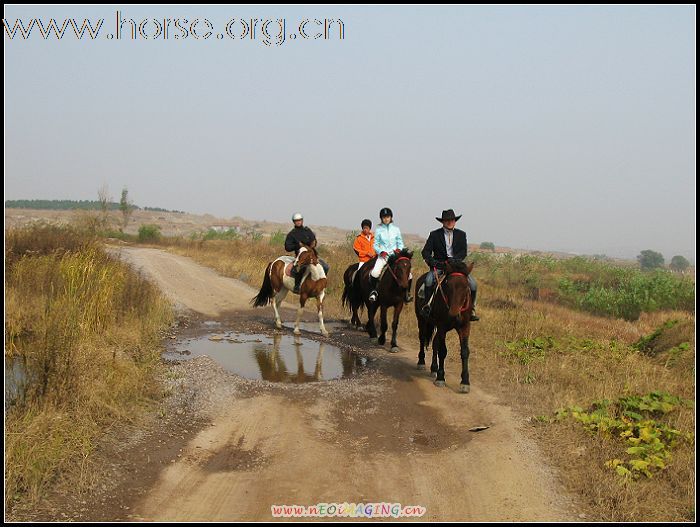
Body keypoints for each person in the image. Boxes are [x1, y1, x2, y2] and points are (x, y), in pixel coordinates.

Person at [418, 209, 478, 321]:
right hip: (440, 266)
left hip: (456, 266)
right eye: (447, 220)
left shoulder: (461, 234)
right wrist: (433, 262)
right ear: (443, 222)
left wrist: (454, 260)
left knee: (473, 284)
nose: (450, 222)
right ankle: (428, 306)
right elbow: (425, 252)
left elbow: (463, 251)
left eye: (452, 220)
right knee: (429, 281)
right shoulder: (434, 235)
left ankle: (472, 309)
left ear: (455, 221)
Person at [369, 207, 412, 303]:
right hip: (383, 256)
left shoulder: (396, 229)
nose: (386, 219)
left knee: (410, 276)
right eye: (384, 217)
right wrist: (381, 251)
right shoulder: (379, 230)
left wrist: (399, 249)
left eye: (387, 217)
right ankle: (374, 292)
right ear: (381, 219)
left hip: (395, 256)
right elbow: (375, 245)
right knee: (375, 272)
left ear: (391, 217)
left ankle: (407, 294)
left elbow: (400, 243)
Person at [284, 212, 329, 293]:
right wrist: (297, 246)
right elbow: (287, 247)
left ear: (302, 220)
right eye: (296, 221)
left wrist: (314, 243)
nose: (298, 222)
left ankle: (322, 284)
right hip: (301, 257)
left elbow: (313, 240)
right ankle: (297, 286)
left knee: (326, 266)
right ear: (294, 222)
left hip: (313, 256)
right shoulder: (292, 234)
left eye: (300, 220)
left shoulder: (307, 231)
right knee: (298, 269)